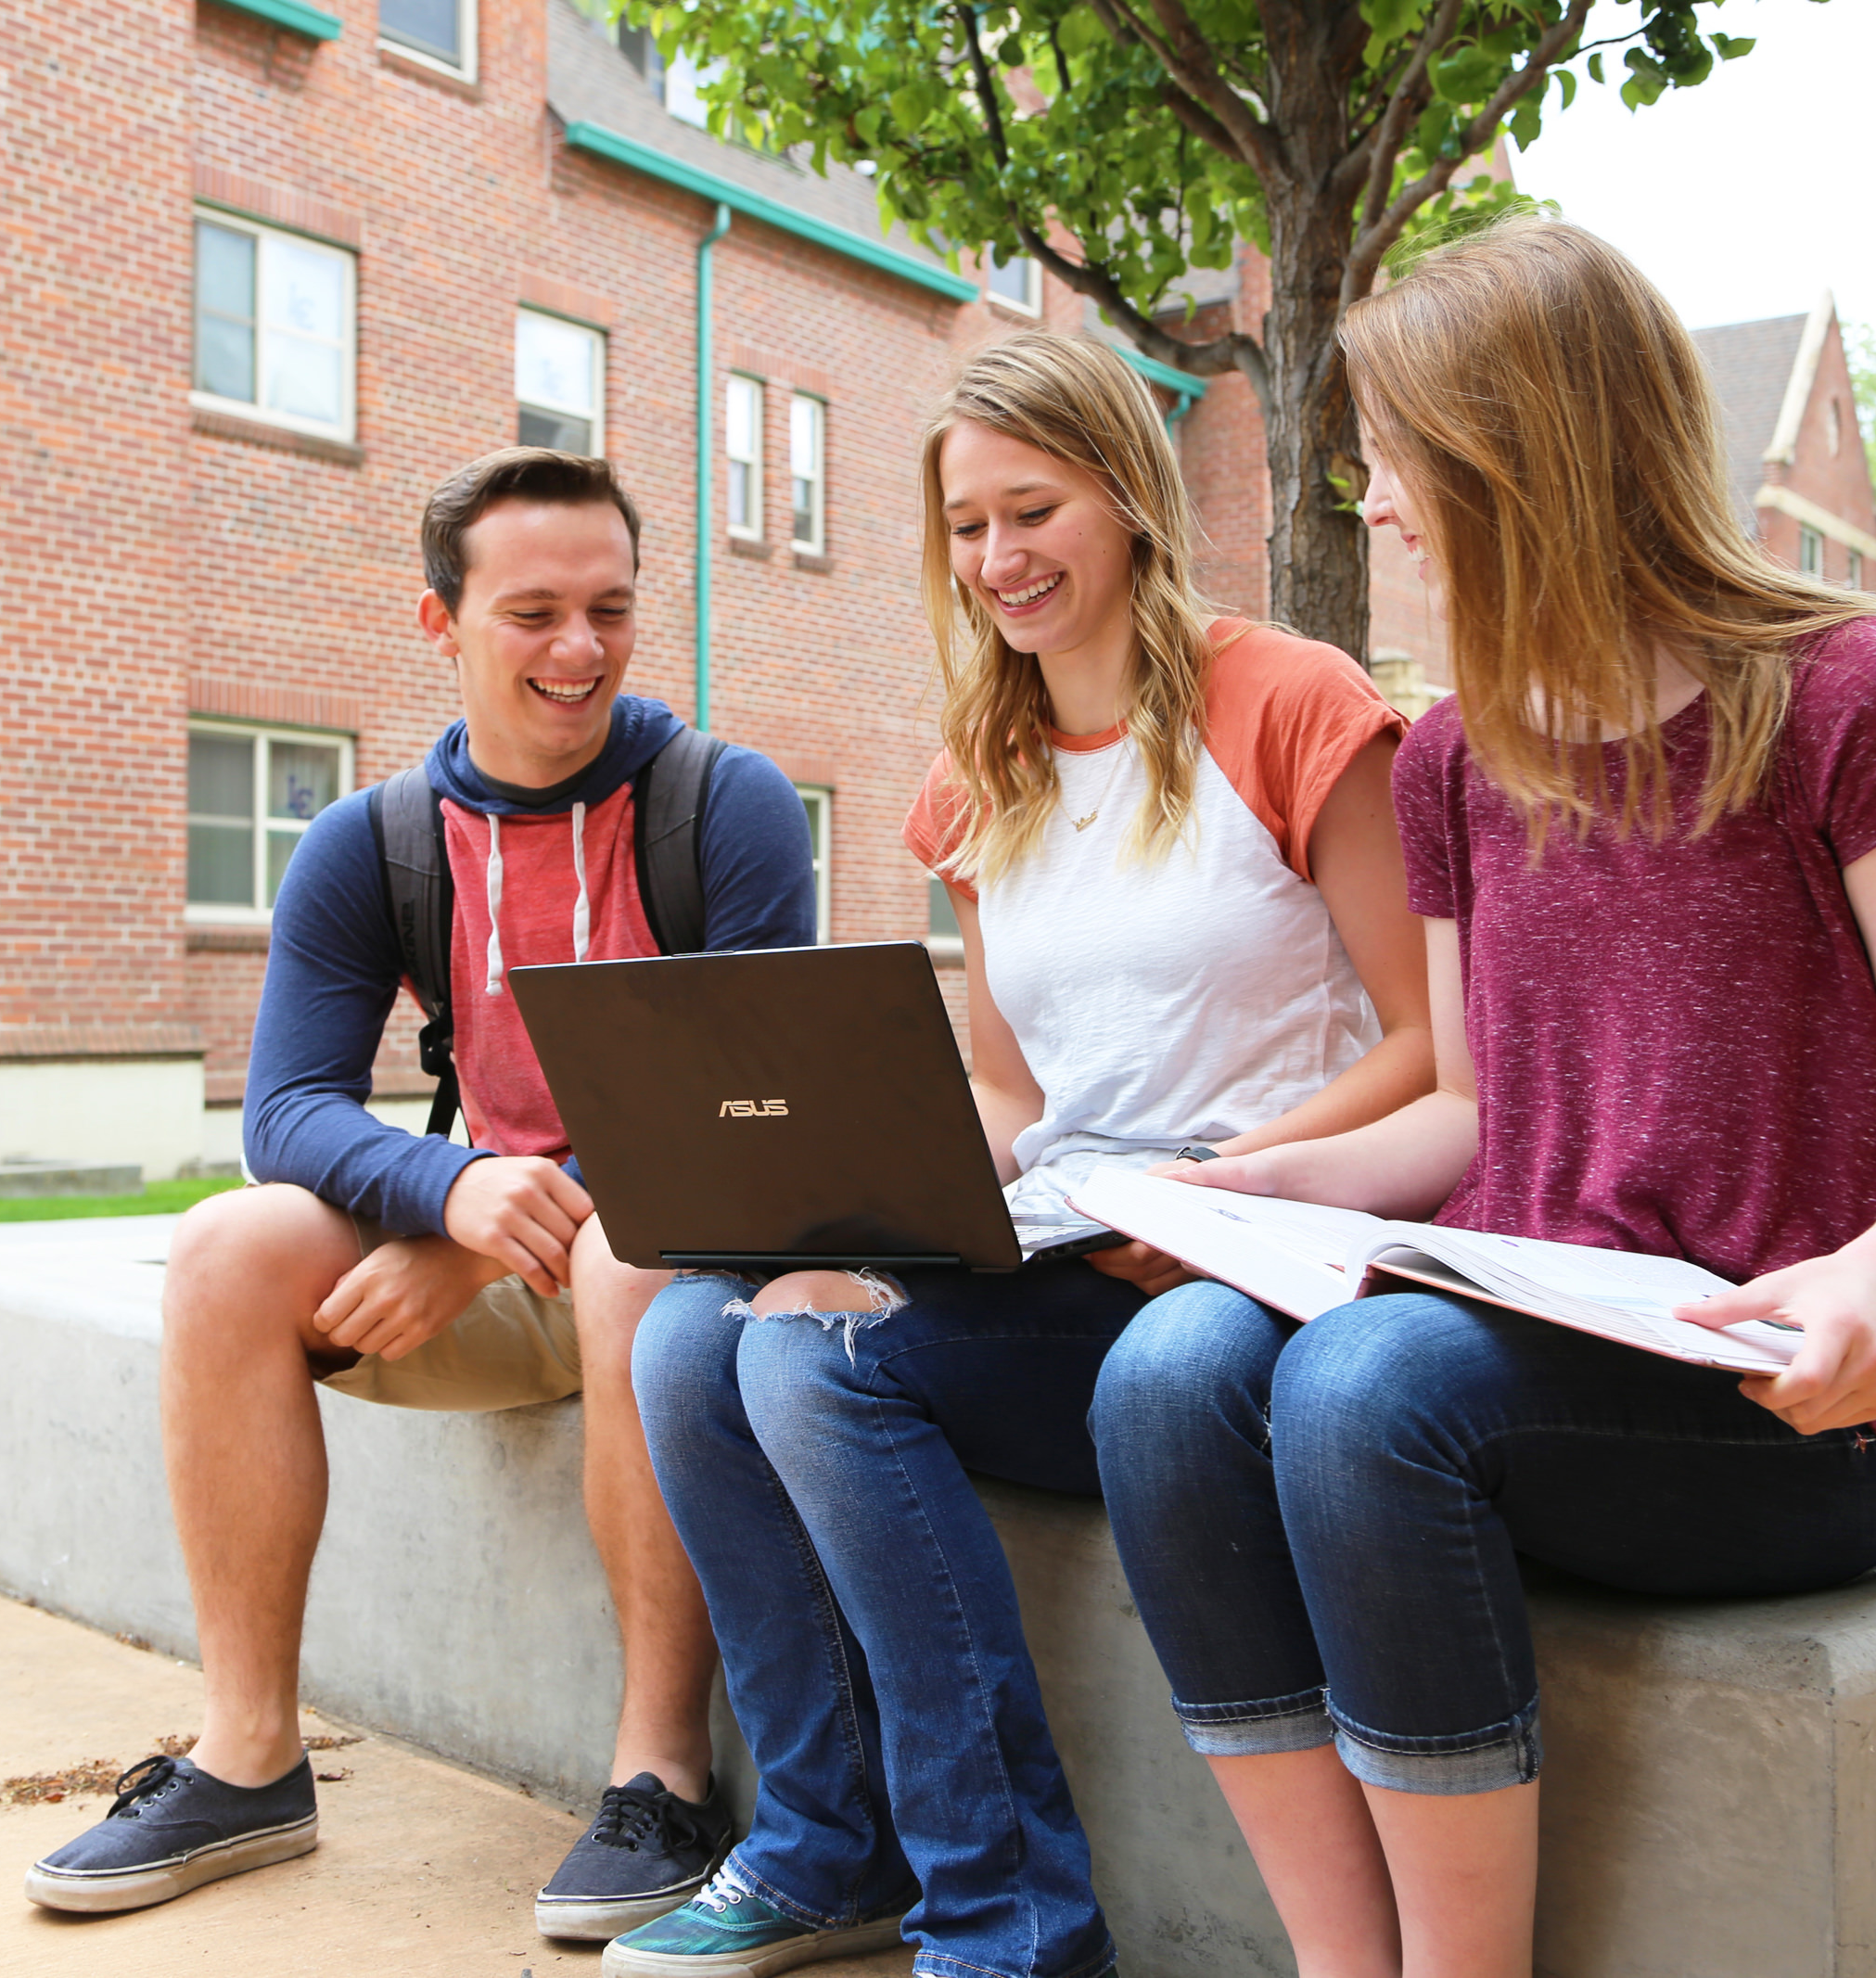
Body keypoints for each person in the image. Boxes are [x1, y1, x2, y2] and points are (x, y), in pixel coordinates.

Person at [1088, 217, 1876, 1978]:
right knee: (1166, 1373)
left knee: (1364, 1384)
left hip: (1795, 1401)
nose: (1375, 503)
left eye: (1397, 458)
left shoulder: (1856, 698)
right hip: (1526, 1339)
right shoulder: (1456, 755)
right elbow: (1469, 1111)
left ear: (1516, 454)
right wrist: (1254, 1183)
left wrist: (1875, 1279)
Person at [610, 331, 1433, 1978]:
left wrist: (1226, 1177)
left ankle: (1011, 1925)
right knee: (695, 1335)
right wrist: (874, 1198)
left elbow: (1426, 1044)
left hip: (1250, 1247)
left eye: (1034, 511)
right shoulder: (974, 774)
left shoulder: (1295, 704)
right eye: (967, 526)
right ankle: (824, 1846)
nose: (999, 559)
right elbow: (1007, 1088)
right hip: (1069, 1241)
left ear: (1129, 495)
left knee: (820, 1355)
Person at [26, 449, 818, 1940]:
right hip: (505, 1244)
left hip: (677, 1273)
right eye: (534, 612)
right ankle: (249, 1758)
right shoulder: (374, 843)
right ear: (440, 619)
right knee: (226, 1245)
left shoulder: (725, 805)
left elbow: (753, 1105)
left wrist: (476, 1242)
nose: (580, 647)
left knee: (632, 1247)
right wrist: (449, 1195)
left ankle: (660, 1774)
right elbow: (285, 1111)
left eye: (610, 609)